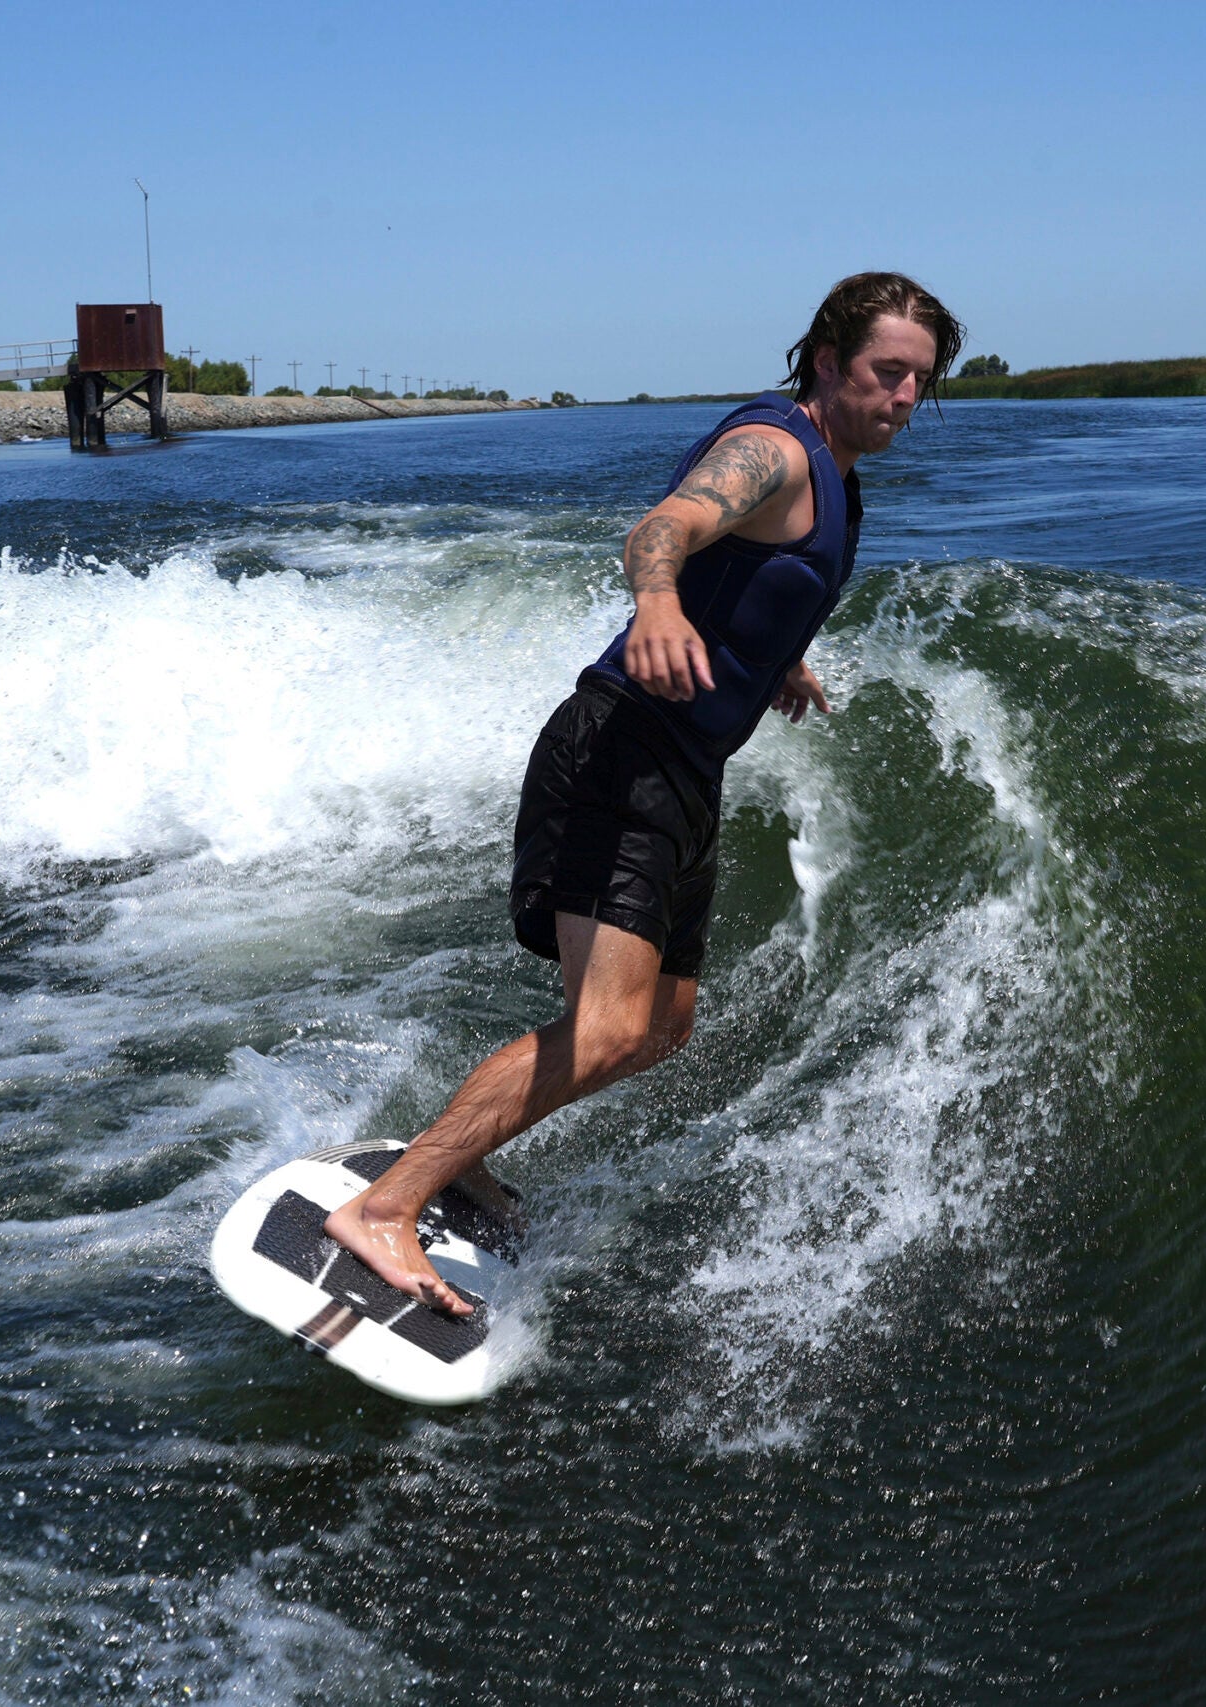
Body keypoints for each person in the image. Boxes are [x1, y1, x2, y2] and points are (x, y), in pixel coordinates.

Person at [324, 273, 964, 1314]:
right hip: (622, 747)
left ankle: (462, 1157)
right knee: (608, 1027)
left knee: (660, 1025)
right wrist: (659, 602)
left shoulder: (840, 478)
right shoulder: (778, 450)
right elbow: (661, 531)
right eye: (885, 371)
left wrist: (779, 660)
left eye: (918, 382)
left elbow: (768, 580)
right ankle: (386, 1208)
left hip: (685, 772)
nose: (901, 396)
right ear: (825, 363)